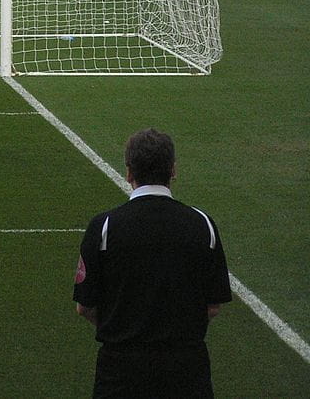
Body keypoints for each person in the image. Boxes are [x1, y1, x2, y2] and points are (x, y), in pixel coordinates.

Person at [73, 128, 232, 399]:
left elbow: (84, 307)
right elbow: (213, 306)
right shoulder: (202, 224)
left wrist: (124, 330)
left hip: (121, 371)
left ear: (129, 172)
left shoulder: (104, 227)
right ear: (173, 170)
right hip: (186, 370)